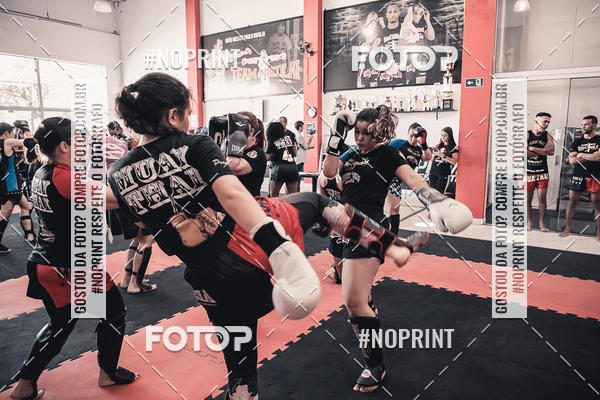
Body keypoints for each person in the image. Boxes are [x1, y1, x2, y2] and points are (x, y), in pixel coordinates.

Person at [323, 106, 472, 392]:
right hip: (347, 226)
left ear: (379, 133)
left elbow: (414, 180)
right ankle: (370, 309)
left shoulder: (388, 154)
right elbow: (328, 173)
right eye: (357, 132)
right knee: (360, 296)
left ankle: (375, 365)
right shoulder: (350, 155)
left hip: (372, 229)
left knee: (352, 300)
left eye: (367, 133)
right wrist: (335, 136)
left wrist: (436, 201)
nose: (360, 137)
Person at [9, 117, 136, 400]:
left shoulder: (41, 171)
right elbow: (113, 199)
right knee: (113, 312)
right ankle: (107, 373)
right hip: (68, 268)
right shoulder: (64, 177)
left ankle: (25, 384)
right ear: (65, 146)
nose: (85, 146)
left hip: (46, 262)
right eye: (79, 140)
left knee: (62, 325)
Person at [385, 122, 432, 235]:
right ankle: (388, 237)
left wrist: (424, 144)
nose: (412, 138)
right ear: (407, 133)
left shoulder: (419, 150)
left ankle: (392, 237)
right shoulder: (399, 143)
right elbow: (383, 152)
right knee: (392, 209)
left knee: (394, 210)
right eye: (410, 135)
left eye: (415, 136)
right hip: (388, 176)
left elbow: (428, 157)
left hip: (398, 181)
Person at [560, 115, 600, 240]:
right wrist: (591, 155)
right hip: (578, 175)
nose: (583, 127)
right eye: (582, 124)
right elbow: (571, 160)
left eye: (586, 124)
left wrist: (581, 154)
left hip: (595, 176)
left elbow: (598, 157)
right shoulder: (577, 141)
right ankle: (567, 229)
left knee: (597, 204)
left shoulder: (599, 140)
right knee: (572, 202)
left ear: (594, 125)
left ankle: (599, 233)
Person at [210, 111, 267, 197]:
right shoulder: (228, 150)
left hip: (248, 202)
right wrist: (215, 145)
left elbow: (233, 168)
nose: (230, 133)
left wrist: (236, 138)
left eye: (235, 128)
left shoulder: (257, 153)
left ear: (251, 131)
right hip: (230, 200)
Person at [0, 122, 37, 253]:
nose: (12, 135)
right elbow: (29, 142)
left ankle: (29, 234)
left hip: (7, 184)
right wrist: (27, 131)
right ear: (6, 132)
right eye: (11, 132)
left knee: (25, 206)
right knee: (5, 214)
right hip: (10, 186)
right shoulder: (7, 142)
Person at [526, 113, 554, 232]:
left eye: (548, 122)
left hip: (542, 172)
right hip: (528, 172)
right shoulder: (527, 134)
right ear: (536, 120)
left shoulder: (548, 135)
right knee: (528, 199)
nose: (547, 124)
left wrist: (532, 148)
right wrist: (543, 151)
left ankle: (541, 222)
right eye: (545, 121)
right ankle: (529, 222)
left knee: (542, 198)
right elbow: (522, 152)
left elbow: (551, 151)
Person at [267, 120, 299, 197]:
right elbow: (295, 153)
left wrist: (274, 156)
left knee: (273, 196)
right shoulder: (289, 138)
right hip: (292, 167)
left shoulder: (272, 140)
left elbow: (267, 157)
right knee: (292, 196)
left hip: (280, 168)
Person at [429, 127, 459, 195]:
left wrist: (443, 156)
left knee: (439, 195)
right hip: (433, 172)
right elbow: (431, 160)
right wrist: (433, 155)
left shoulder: (454, 148)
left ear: (449, 136)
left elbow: (454, 162)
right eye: (441, 135)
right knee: (432, 194)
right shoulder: (438, 146)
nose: (442, 137)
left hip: (443, 174)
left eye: (445, 135)